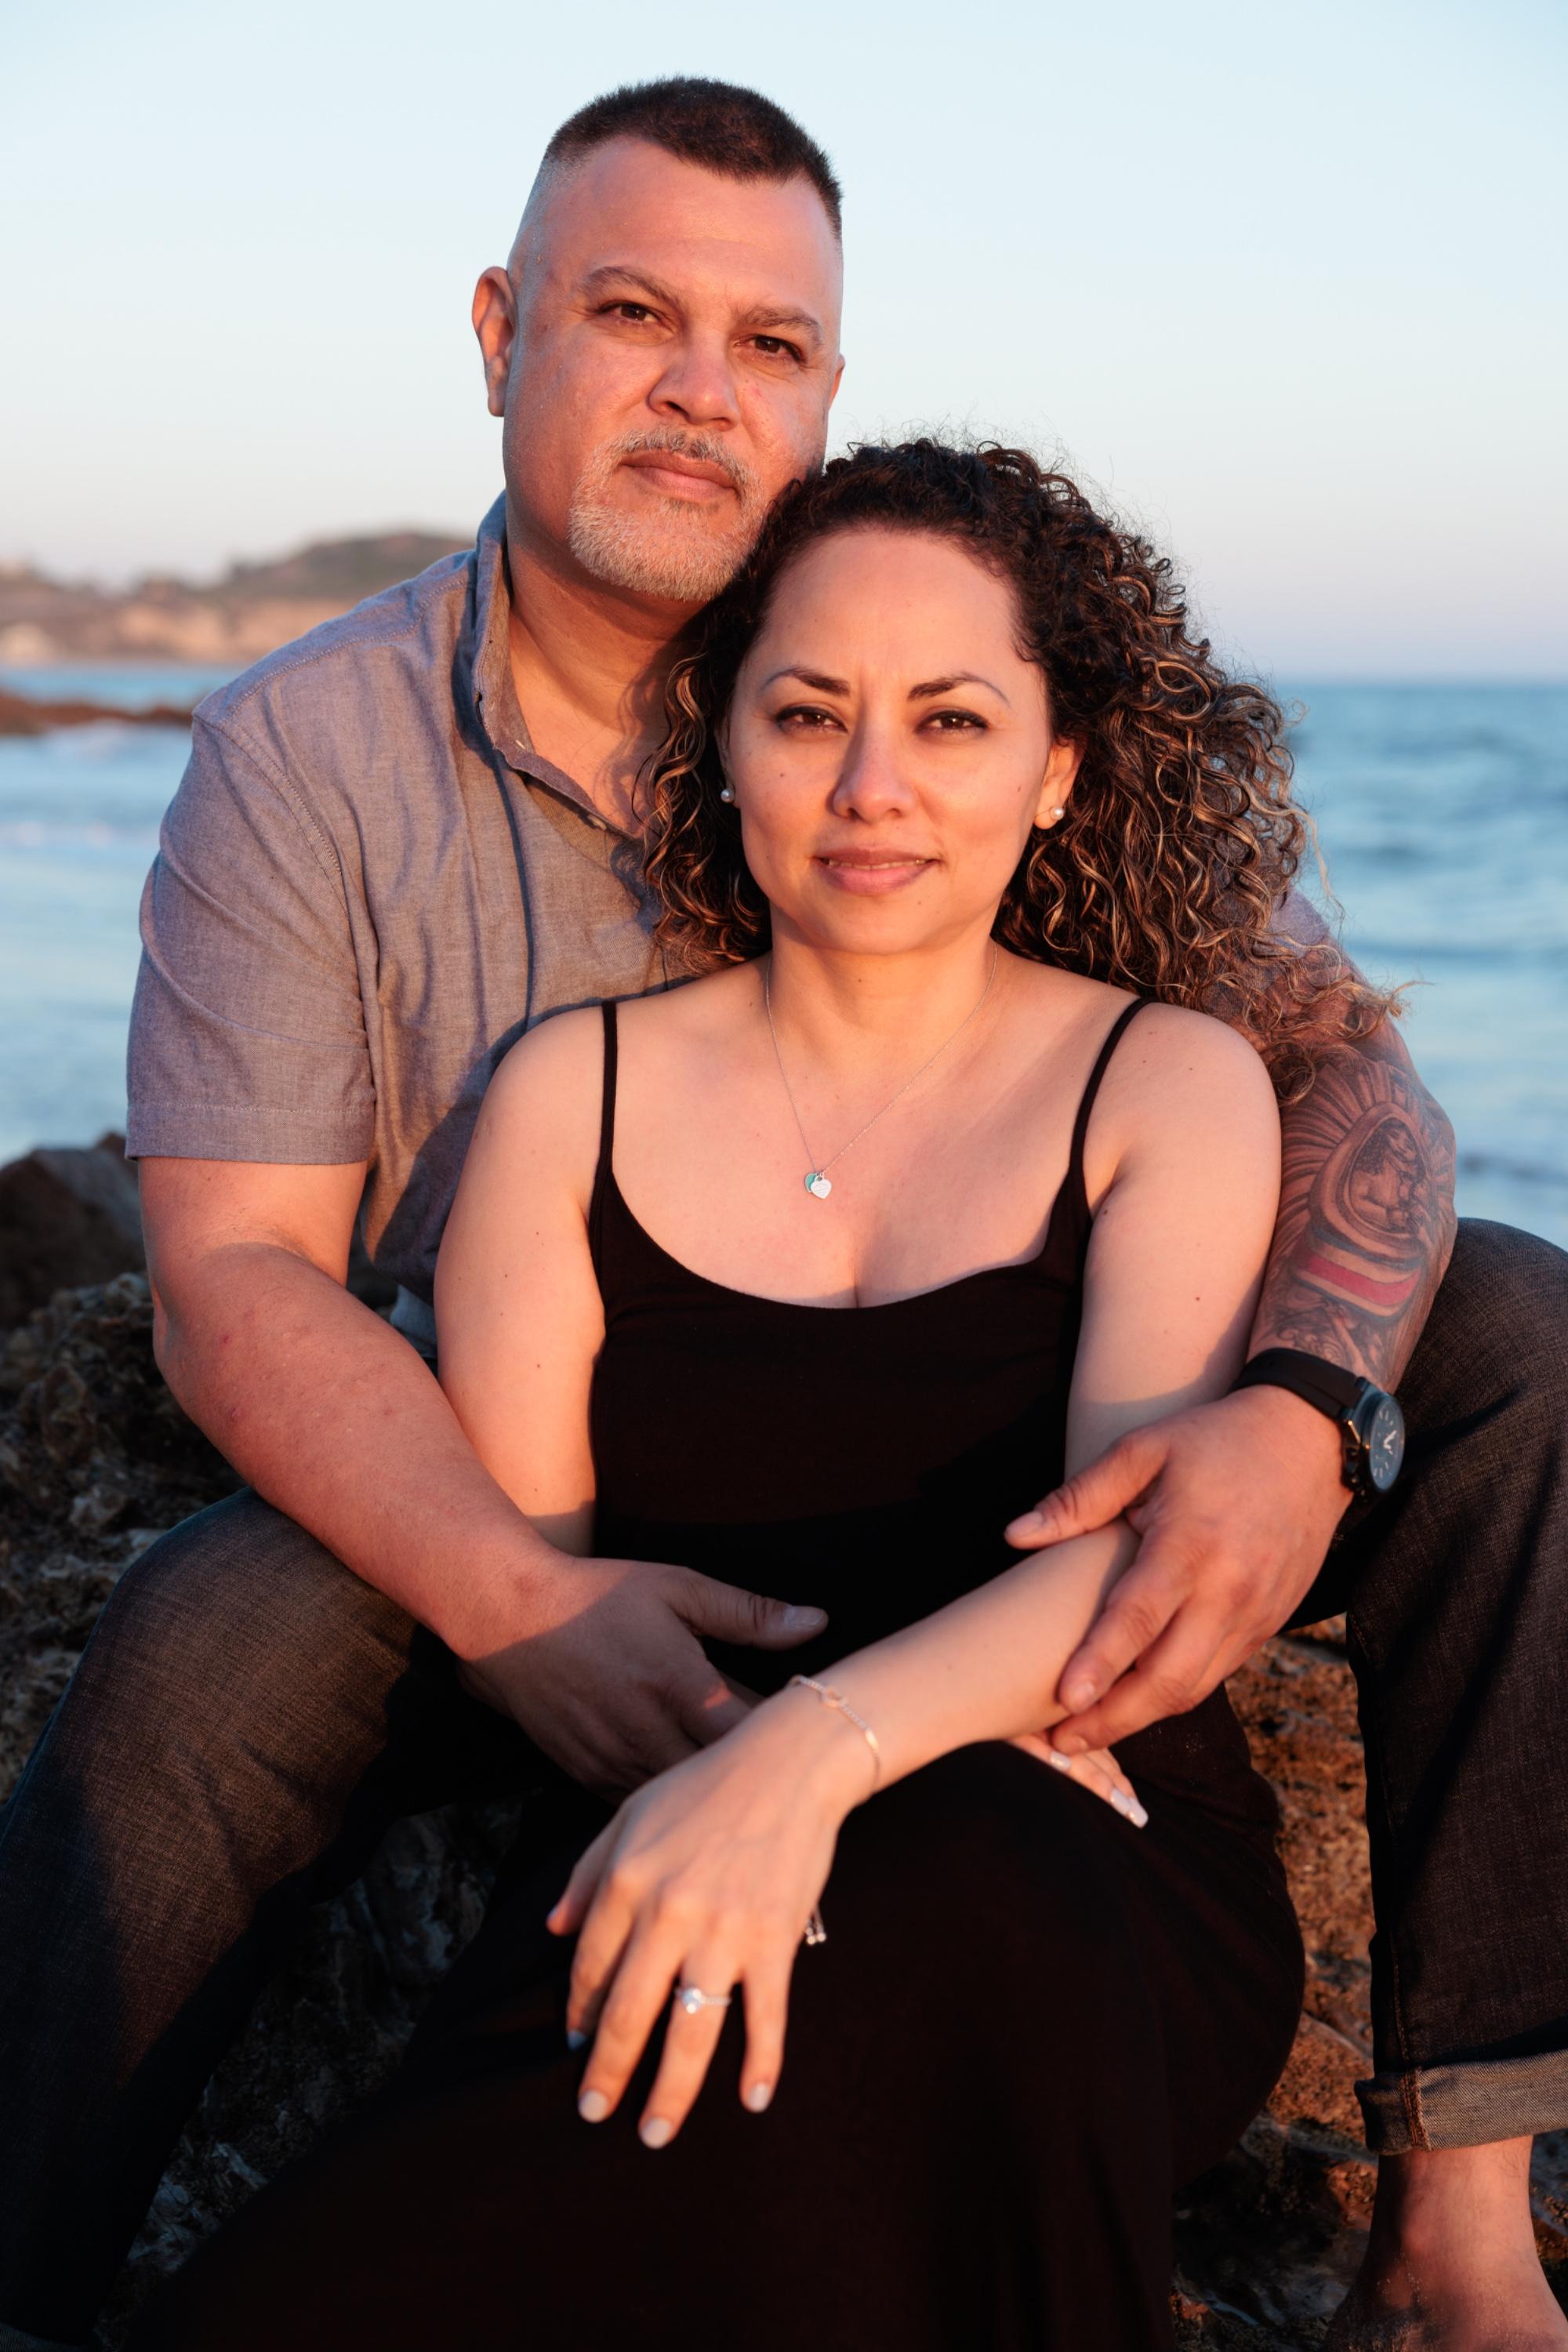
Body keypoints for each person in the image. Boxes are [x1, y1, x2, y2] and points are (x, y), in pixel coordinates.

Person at [0, 72, 1562, 2352]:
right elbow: (234, 1273)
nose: (700, 392)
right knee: (219, 1627)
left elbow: (1339, 1068)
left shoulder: (938, 655)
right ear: (501, 327)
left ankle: (1461, 2228)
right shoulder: (312, 755)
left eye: (774, 344)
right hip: (511, 1449)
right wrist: (518, 1589)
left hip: (993, 1538)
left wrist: (1298, 1407)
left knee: (1502, 1320)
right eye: (634, 313)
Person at [140, 437, 1315, 2351]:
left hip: (1085, 1845)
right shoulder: (566, 1095)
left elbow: (1131, 1584)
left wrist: (813, 1758)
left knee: (979, 1887)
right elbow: (555, 1619)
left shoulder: (1164, 1083)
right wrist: (738, 1789)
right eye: (808, 713)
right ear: (728, 744)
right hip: (670, 1828)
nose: (873, 788)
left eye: (950, 721)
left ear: (1058, 770)